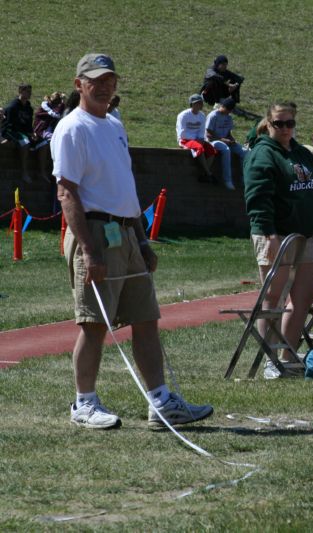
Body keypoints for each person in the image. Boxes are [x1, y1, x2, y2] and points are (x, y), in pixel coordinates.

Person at [52, 53, 213, 430]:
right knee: (93, 323)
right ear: (79, 85)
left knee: (146, 319)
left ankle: (160, 401)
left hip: (125, 232)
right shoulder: (72, 128)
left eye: (110, 79)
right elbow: (67, 193)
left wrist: (141, 240)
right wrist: (90, 250)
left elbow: (125, 187)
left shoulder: (114, 125)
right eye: (96, 79)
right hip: (95, 234)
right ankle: (84, 403)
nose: (105, 85)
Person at [243, 102, 313, 378]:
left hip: (310, 234)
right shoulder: (262, 154)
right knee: (273, 297)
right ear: (268, 124)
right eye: (279, 123)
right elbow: (258, 199)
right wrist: (268, 234)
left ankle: (288, 357)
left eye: (289, 123)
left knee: (302, 299)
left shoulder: (304, 154)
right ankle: (271, 360)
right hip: (277, 234)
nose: (284, 129)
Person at [206, 97, 246, 191]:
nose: (229, 112)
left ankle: (244, 178)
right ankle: (227, 180)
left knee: (244, 151)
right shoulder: (213, 116)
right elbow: (209, 134)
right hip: (213, 141)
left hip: (226, 140)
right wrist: (223, 140)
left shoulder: (229, 117)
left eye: (230, 110)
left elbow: (228, 133)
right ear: (223, 106)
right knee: (226, 150)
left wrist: (232, 140)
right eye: (228, 110)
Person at [176, 93, 217, 183]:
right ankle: (209, 174)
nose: (200, 105)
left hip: (197, 139)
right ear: (192, 104)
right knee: (199, 148)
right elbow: (182, 133)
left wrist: (201, 139)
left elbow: (201, 131)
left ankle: (204, 174)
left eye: (201, 103)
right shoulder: (183, 115)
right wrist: (196, 139)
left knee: (211, 150)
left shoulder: (202, 116)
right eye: (197, 103)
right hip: (185, 140)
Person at [3, 83, 35, 183]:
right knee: (25, 143)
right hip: (11, 131)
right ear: (20, 92)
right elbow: (8, 124)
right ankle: (24, 172)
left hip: (24, 132)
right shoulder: (12, 107)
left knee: (43, 143)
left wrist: (31, 133)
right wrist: (26, 133)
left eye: (30, 91)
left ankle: (42, 172)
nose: (29, 94)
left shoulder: (29, 108)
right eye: (27, 91)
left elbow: (29, 123)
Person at [33, 91, 66, 182]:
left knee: (61, 142)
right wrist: (63, 103)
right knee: (55, 142)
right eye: (57, 104)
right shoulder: (44, 107)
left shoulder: (52, 107)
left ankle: (57, 170)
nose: (57, 106)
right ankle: (44, 171)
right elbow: (56, 114)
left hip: (48, 132)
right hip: (40, 131)